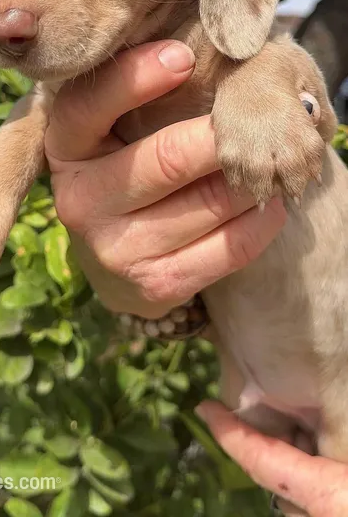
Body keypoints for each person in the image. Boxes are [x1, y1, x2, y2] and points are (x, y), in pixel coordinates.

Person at [45, 40, 348, 517]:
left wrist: (273, 88)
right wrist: (154, 303)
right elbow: (40, 115)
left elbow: (316, 117)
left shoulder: (244, 46)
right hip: (252, 379)